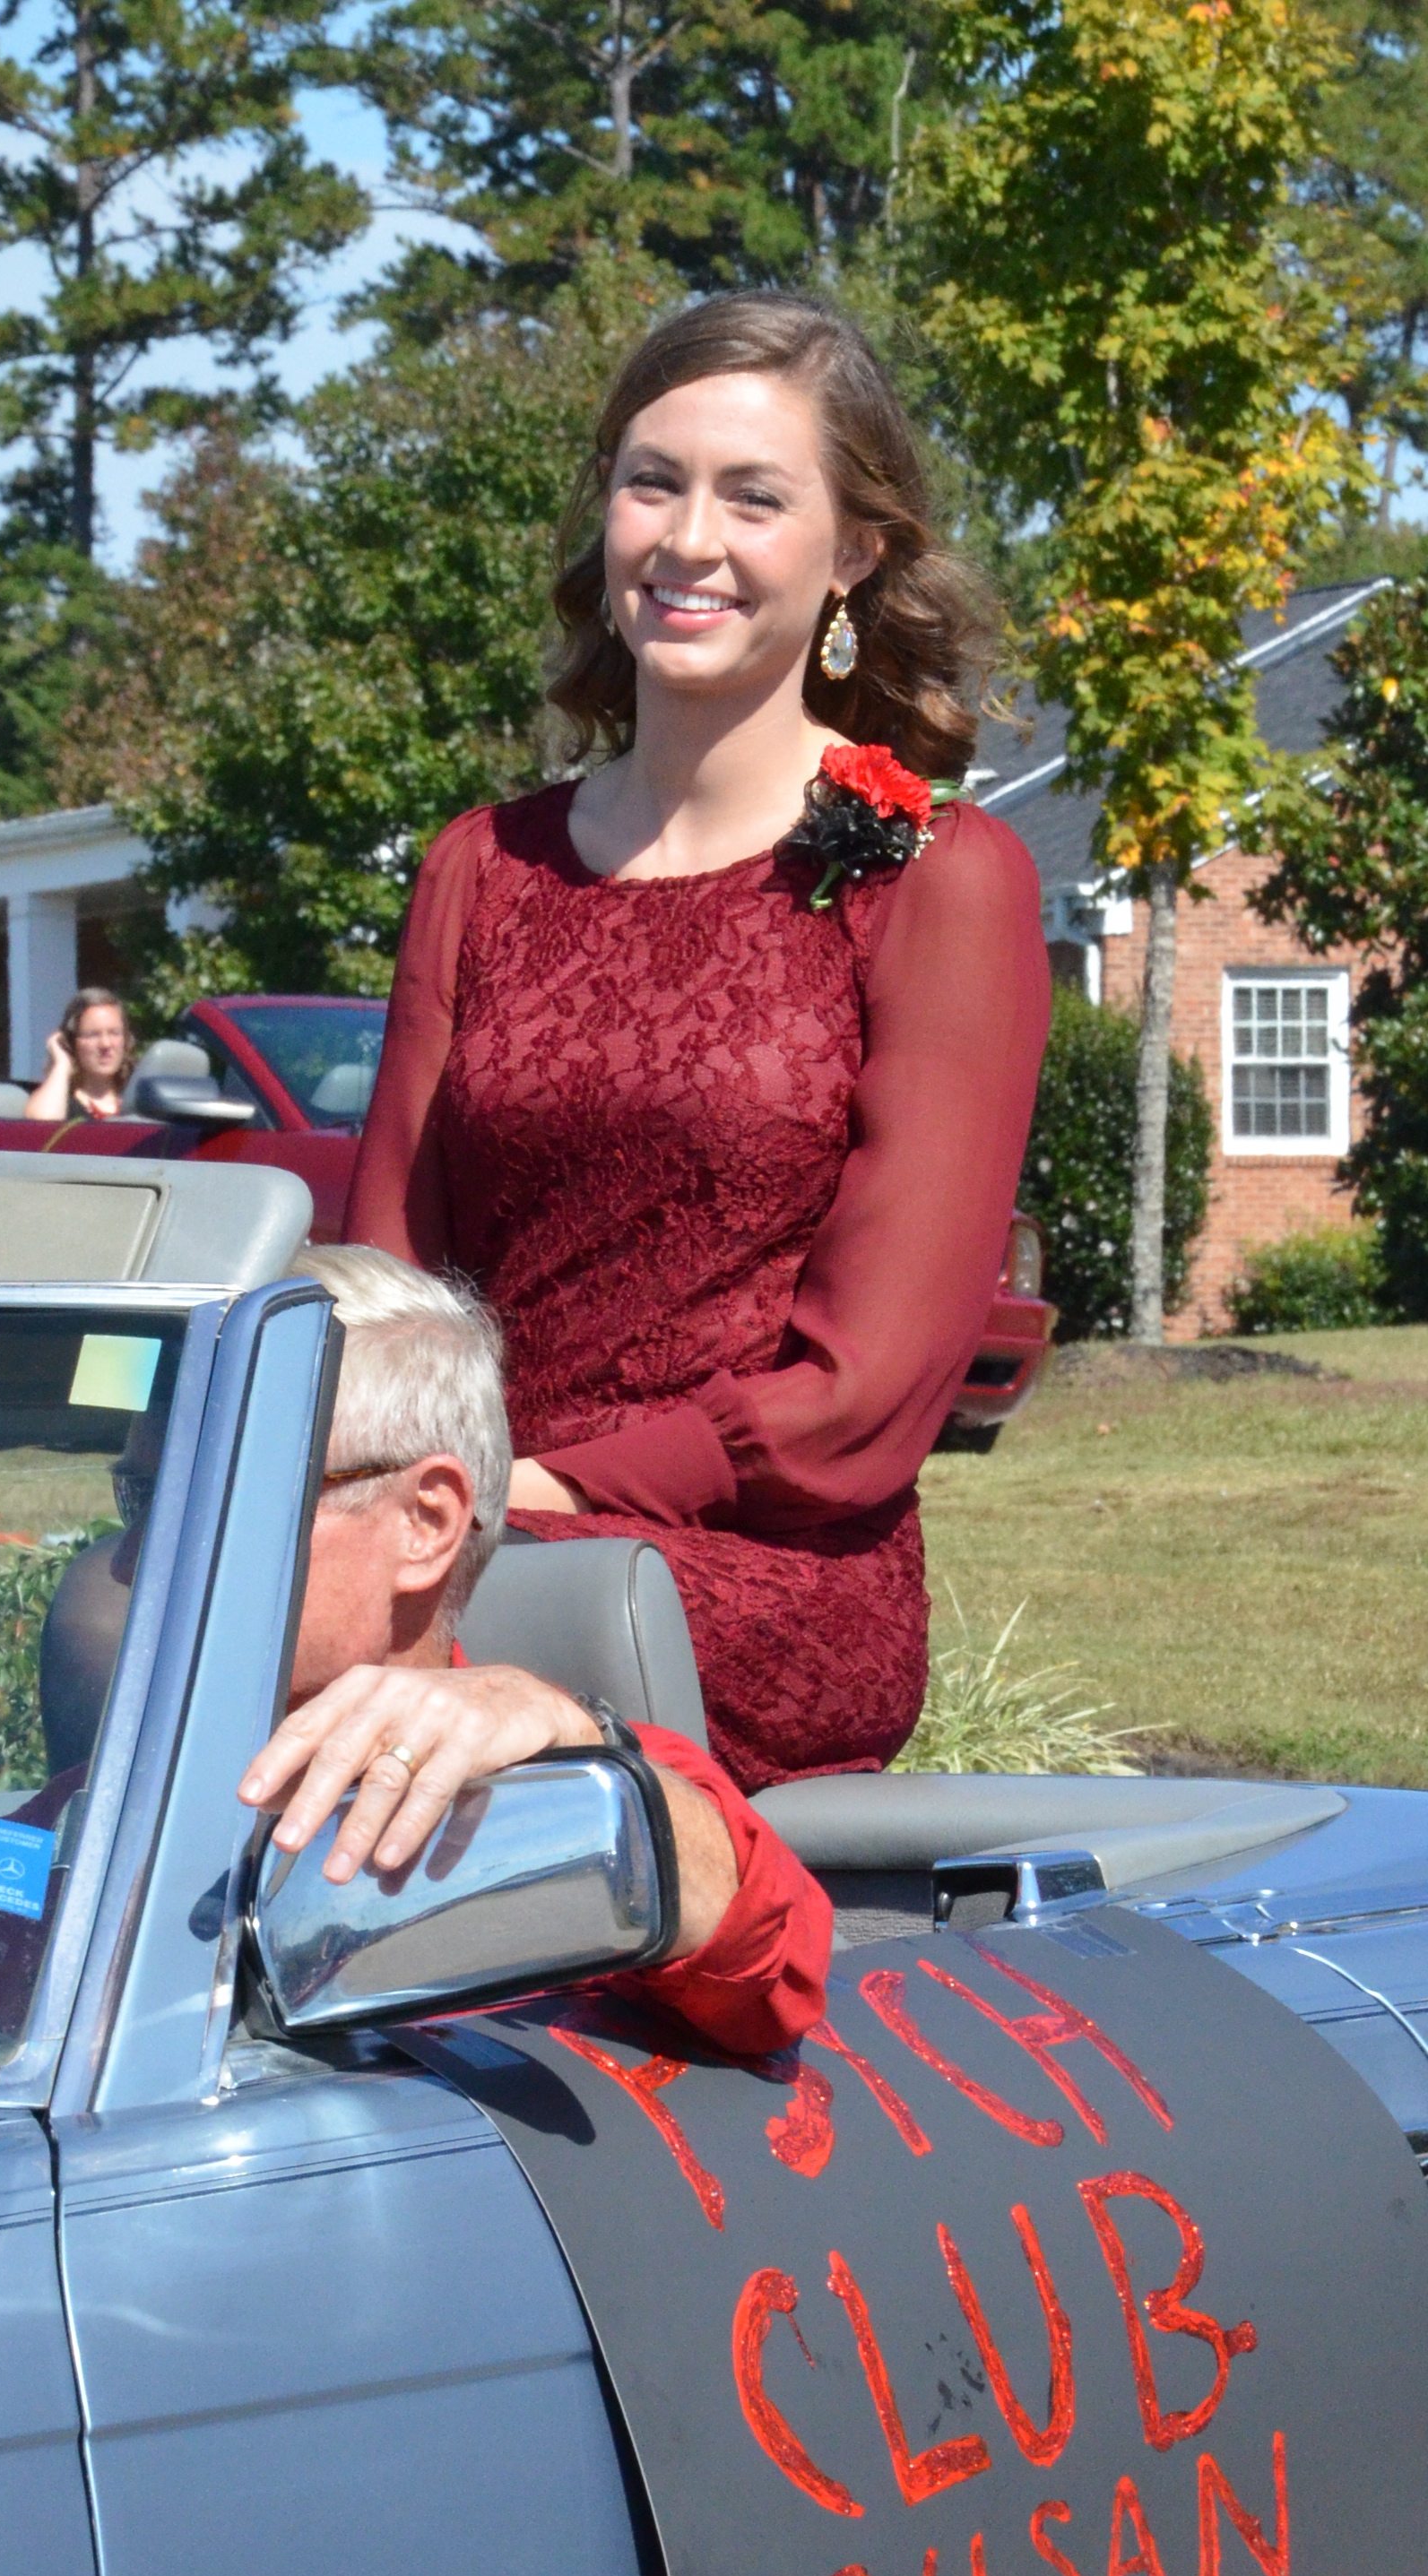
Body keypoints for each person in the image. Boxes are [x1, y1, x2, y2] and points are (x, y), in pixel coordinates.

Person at [345, 291, 1050, 1795]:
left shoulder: (937, 875)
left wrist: (531, 1494)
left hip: (756, 1570)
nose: (688, 539)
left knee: (328, 1640)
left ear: (856, 548)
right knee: (115, 1610)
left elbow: (861, 1397)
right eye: (652, 481)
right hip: (455, 1520)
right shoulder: (481, 866)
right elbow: (385, 1292)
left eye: (755, 496)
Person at [0, 1249, 830, 2059]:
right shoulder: (79, 1811)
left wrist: (571, 1734)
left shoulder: (560, 1791)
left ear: (426, 1522)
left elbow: (773, 1965)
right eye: (141, 1494)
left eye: (214, 1492)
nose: (141, 1556)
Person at [24, 986, 135, 1120]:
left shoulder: (141, 1101)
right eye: (93, 1035)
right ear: (71, 1042)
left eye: (114, 1033)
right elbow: (41, 1124)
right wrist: (62, 1064)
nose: (106, 1044)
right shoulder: (62, 1102)